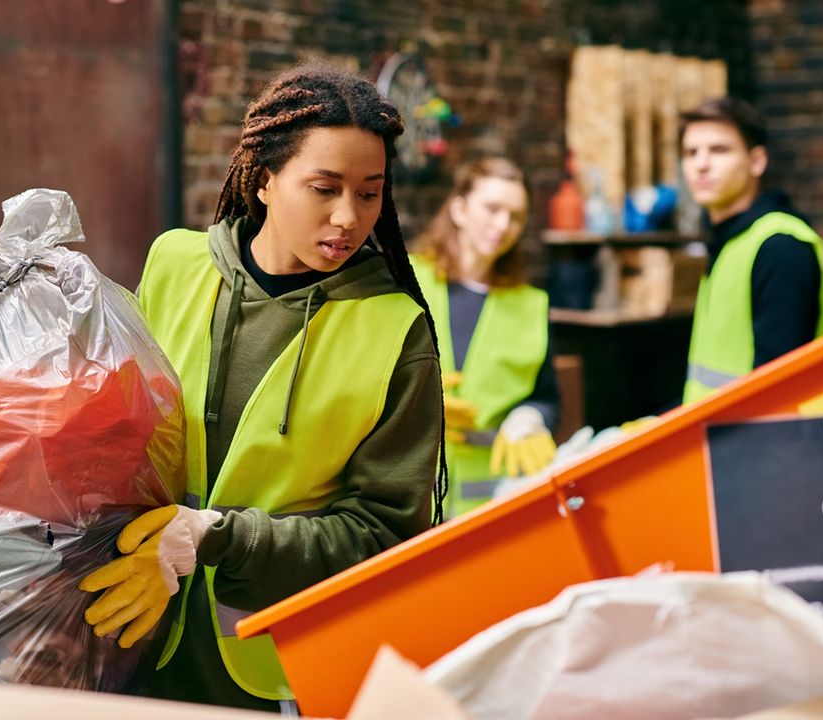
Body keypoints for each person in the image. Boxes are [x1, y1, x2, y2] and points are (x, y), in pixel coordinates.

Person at [77, 62, 447, 712]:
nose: (348, 216)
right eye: (325, 187)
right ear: (267, 178)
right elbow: (119, 424)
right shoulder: (174, 265)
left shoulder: (396, 330)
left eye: (370, 193)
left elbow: (385, 536)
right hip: (130, 637)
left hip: (274, 669)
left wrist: (214, 535)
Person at [410, 158, 559, 516]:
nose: (503, 225)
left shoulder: (530, 305)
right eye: (492, 209)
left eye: (516, 216)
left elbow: (547, 397)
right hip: (409, 498)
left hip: (490, 501)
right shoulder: (406, 281)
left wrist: (530, 417)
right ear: (459, 209)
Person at [680, 97, 823, 403]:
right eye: (691, 152)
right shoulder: (730, 242)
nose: (701, 164)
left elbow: (778, 390)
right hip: (721, 442)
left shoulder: (779, 247)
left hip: (769, 447)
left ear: (757, 161)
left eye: (719, 150)